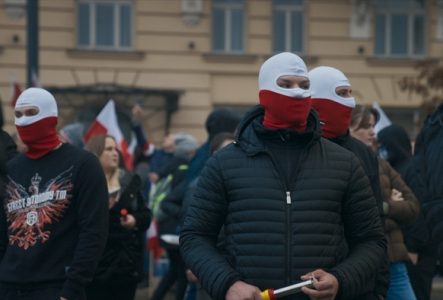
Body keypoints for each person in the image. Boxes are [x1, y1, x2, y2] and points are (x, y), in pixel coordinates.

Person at [180, 52, 386, 300]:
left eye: (304, 85)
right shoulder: (225, 163)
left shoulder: (344, 163)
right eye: (286, 85)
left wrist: (340, 279)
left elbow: (372, 241)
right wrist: (228, 284)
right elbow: (195, 237)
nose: (297, 92)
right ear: (264, 93)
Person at [0, 87, 108, 300]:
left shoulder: (83, 164)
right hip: (9, 286)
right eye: (18, 114)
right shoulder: (11, 168)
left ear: (51, 116)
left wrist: (72, 288)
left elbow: (94, 231)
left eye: (32, 113)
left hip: (57, 286)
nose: (23, 121)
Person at [309, 66, 388, 299]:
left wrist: (379, 287)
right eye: (341, 93)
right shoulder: (299, 149)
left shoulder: (362, 153)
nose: (350, 102)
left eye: (350, 93)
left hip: (356, 283)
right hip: (307, 279)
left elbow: (376, 224)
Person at [350, 105, 419, 300]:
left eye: (373, 125)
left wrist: (385, 206)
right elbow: (358, 217)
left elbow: (413, 206)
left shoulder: (381, 163)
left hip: (394, 260)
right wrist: (386, 210)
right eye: (365, 126)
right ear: (348, 130)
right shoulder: (342, 164)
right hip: (361, 264)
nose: (373, 132)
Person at [84, 134, 151, 300]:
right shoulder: (84, 183)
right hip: (94, 265)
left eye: (115, 149)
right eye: (109, 149)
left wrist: (134, 220)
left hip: (124, 265)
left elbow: (146, 215)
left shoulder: (129, 182)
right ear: (96, 153)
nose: (115, 153)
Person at [378, 124, 437, 300]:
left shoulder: (410, 170)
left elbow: (418, 209)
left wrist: (414, 248)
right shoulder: (394, 168)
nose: (381, 150)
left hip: (415, 252)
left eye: (384, 145)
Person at [150, 133, 199, 300]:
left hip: (168, 227)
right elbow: (171, 201)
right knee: (180, 273)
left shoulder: (172, 166)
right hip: (174, 230)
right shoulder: (185, 170)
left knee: (174, 271)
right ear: (189, 152)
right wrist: (183, 215)